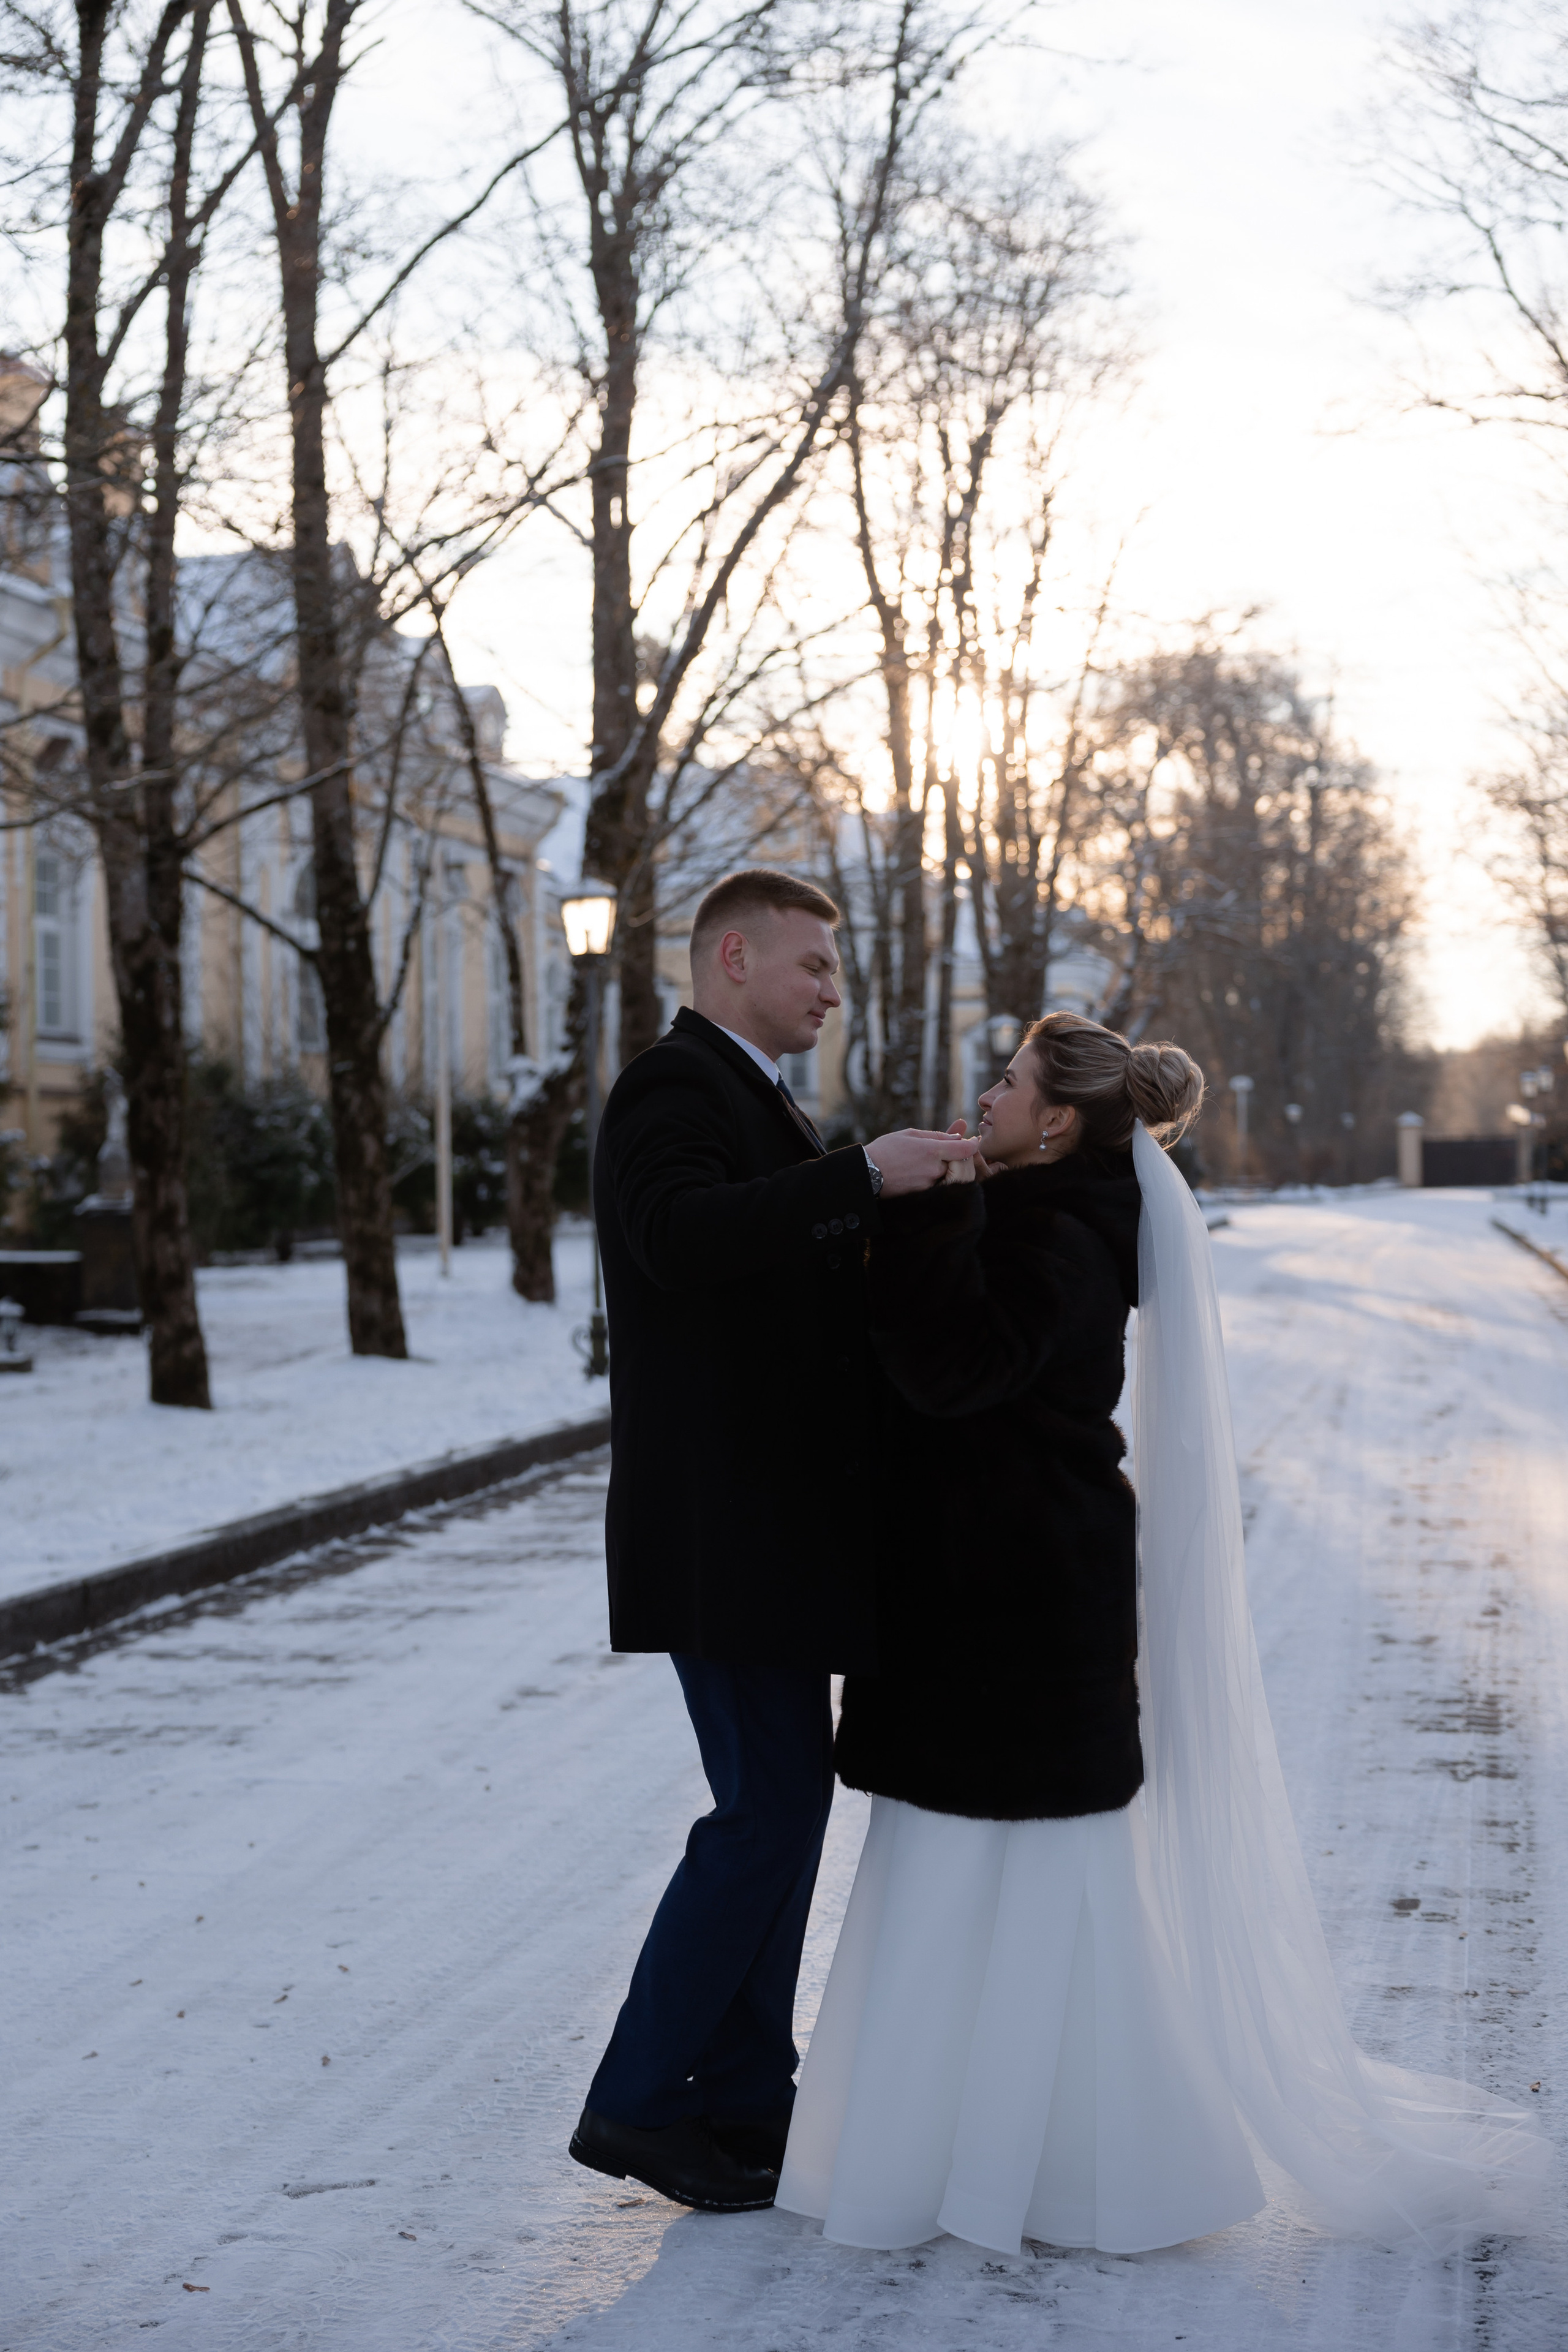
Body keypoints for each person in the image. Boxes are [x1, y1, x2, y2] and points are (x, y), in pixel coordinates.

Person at [777, 1011, 1550, 2255]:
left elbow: (956, 1372)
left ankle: (1070, 2172)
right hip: (988, 1594)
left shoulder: (1064, 1231)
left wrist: (921, 1216)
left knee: (1017, 1878)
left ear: (1061, 1119)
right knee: (964, 1872)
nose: (986, 1095)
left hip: (1016, 1604)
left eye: (1010, 1082)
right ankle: (971, 2160)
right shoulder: (1041, 1212)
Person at [570, 867, 978, 2215]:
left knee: (782, 1814)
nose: (829, 991)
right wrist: (856, 1177)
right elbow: (677, 1240)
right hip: (724, 1534)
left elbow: (772, 1289)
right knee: (762, 1815)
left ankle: (745, 2099)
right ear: (732, 956)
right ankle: (637, 2102)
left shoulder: (751, 1095)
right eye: (811, 966)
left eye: (835, 972)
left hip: (769, 1535)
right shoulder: (671, 1089)